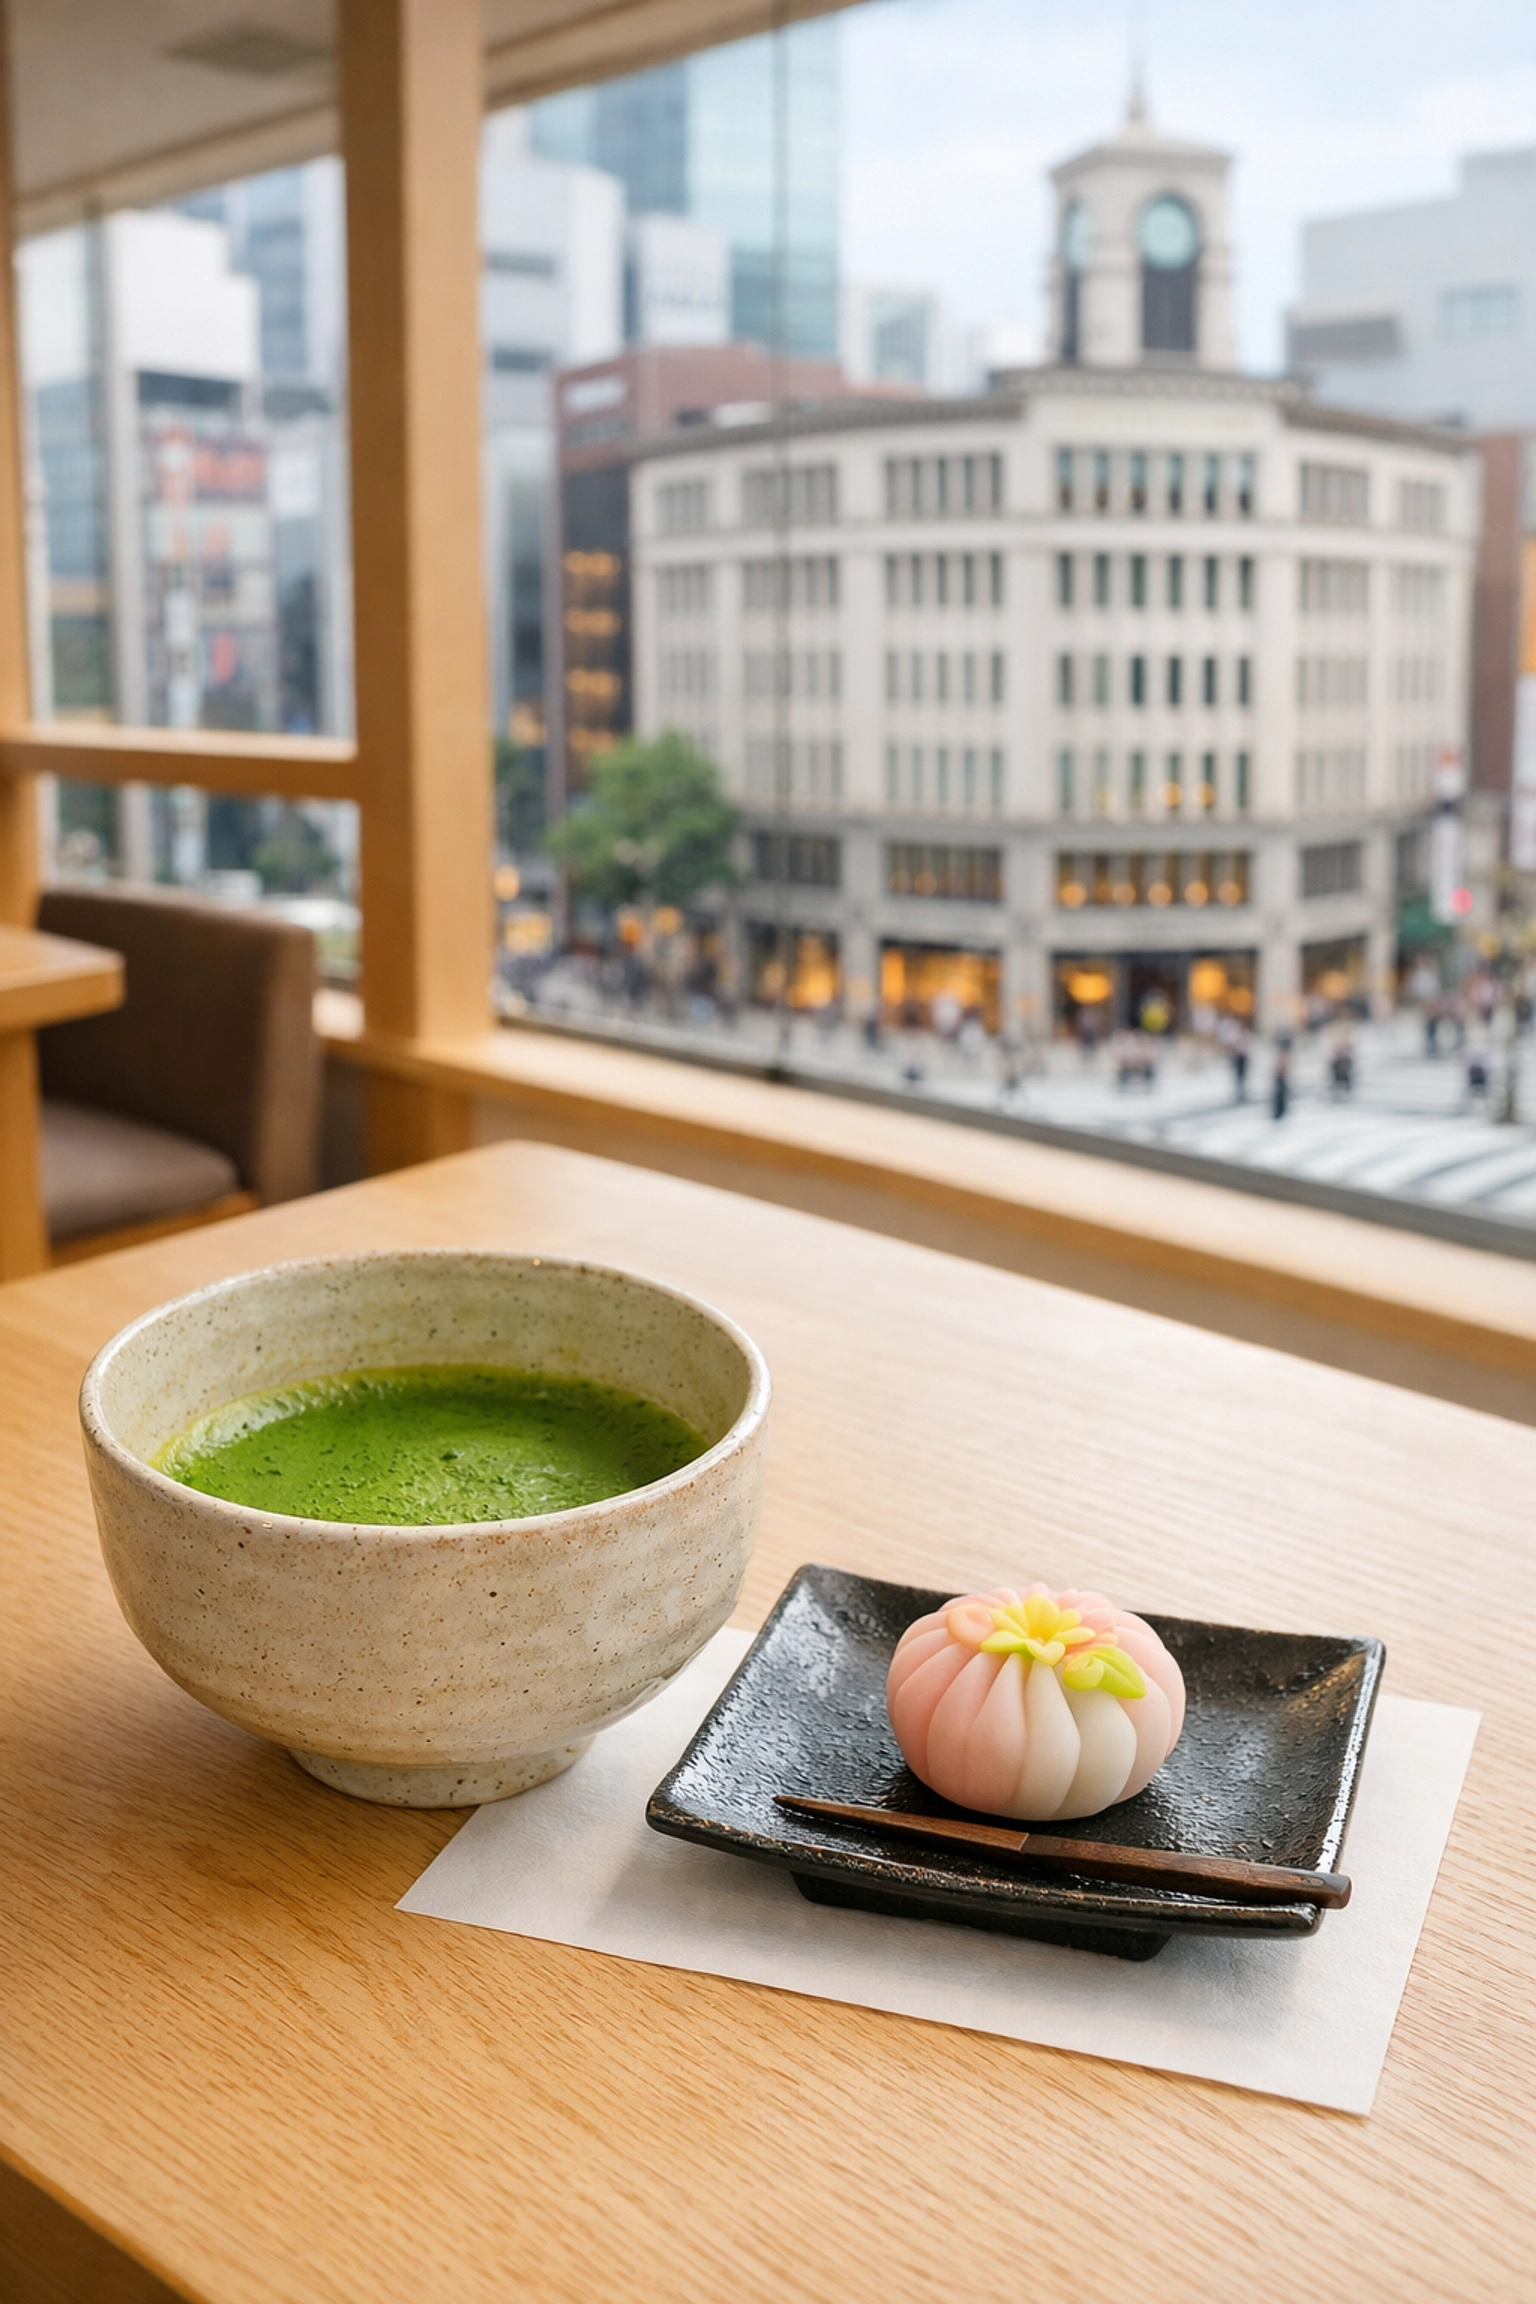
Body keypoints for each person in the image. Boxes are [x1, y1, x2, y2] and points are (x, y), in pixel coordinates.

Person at [1271, 1040, 1291, 1122]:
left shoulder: (1283, 1057)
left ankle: (1281, 1112)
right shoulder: (1281, 1057)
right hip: (1279, 1079)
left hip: (1281, 1080)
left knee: (1281, 1097)